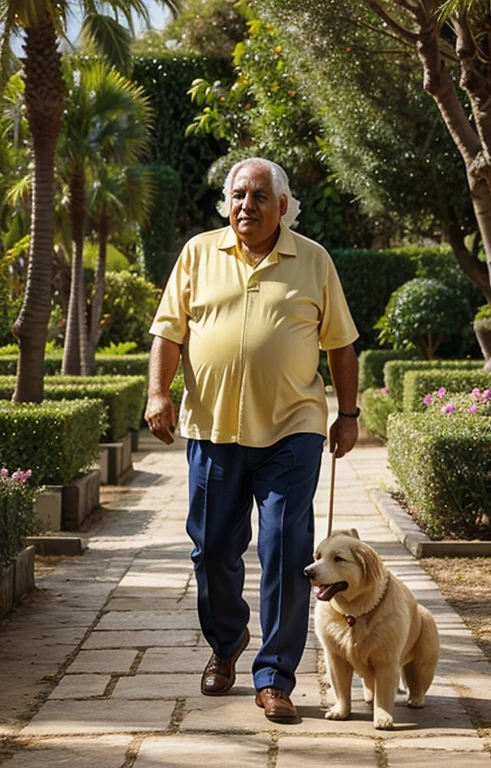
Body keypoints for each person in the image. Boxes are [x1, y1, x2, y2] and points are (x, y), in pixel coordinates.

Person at [145, 157, 359, 723]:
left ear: (283, 205)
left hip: (294, 428)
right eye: (238, 195)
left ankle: (275, 677)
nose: (247, 205)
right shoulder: (198, 252)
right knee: (212, 548)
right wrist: (158, 394)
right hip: (214, 429)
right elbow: (169, 330)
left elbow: (340, 344)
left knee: (287, 550)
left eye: (260, 196)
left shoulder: (314, 260)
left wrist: (349, 412)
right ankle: (227, 641)